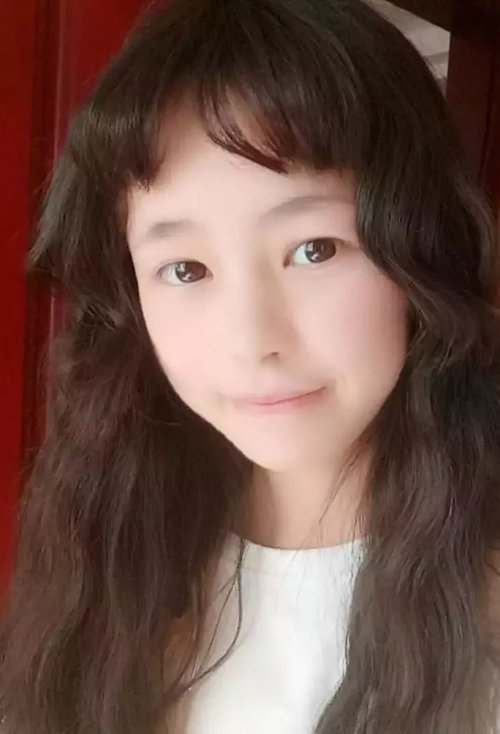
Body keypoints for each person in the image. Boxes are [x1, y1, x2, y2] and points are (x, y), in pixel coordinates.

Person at [1, 0, 500, 732]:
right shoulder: (102, 565)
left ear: (422, 249)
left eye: (314, 250)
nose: (251, 340)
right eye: (185, 268)